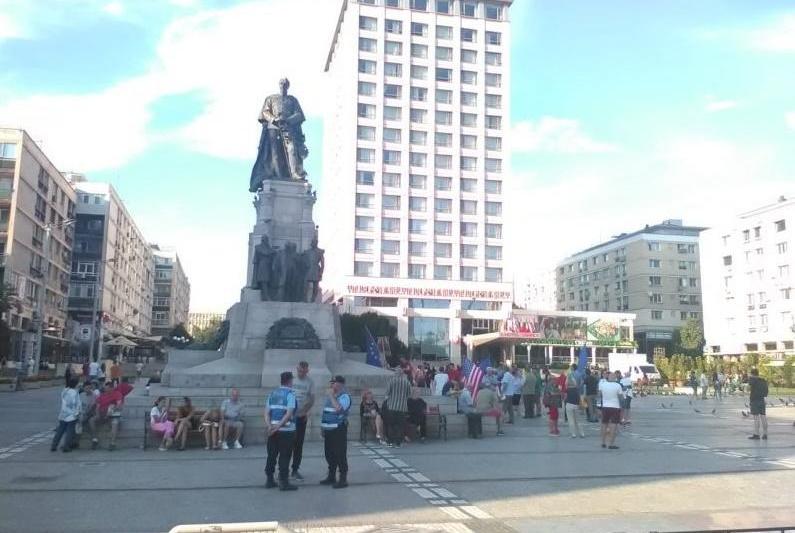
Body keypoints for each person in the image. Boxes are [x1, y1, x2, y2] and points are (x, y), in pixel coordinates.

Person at [265, 371, 298, 491]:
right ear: (289, 381)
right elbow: (289, 414)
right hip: (286, 431)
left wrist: (270, 426)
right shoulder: (290, 394)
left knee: (271, 455)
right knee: (285, 455)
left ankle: (269, 479)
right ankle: (284, 482)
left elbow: (267, 412)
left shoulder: (272, 394)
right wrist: (279, 426)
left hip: (272, 430)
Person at [320, 375, 352, 489]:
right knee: (329, 454)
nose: (331, 385)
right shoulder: (331, 396)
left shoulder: (344, 396)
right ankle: (331, 476)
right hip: (328, 429)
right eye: (331, 383)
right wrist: (322, 427)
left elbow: (339, 409)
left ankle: (343, 479)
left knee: (340, 454)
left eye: (333, 383)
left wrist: (331, 396)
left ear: (340, 384)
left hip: (338, 429)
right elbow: (326, 412)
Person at [290, 361, 315, 481]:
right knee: (287, 444)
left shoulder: (310, 382)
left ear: (307, 371)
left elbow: (312, 398)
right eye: (299, 370)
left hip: (301, 416)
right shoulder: (291, 380)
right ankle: (283, 470)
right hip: (289, 417)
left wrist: (305, 411)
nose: (300, 373)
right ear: (297, 368)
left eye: (303, 371)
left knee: (298, 444)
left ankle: (295, 469)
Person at [89, 381, 123, 450]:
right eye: (105, 388)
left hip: (112, 415)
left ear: (111, 388)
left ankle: (112, 443)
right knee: (91, 420)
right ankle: (95, 439)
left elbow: (119, 405)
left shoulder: (117, 394)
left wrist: (112, 408)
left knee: (115, 423)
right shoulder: (102, 395)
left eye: (107, 388)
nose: (105, 390)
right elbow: (97, 407)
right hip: (101, 414)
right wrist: (97, 414)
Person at [51, 377, 81, 453]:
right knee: (69, 432)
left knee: (60, 430)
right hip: (71, 415)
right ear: (76, 384)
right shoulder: (74, 392)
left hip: (63, 413)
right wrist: (77, 412)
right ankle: (66, 446)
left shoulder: (64, 390)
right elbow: (75, 403)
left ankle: (54, 445)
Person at [384, 368, 411, 447]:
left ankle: (390, 441)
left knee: (391, 425)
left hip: (392, 406)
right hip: (402, 407)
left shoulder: (392, 381)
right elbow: (409, 394)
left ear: (395, 374)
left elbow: (387, 393)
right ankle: (398, 442)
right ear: (402, 374)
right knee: (400, 425)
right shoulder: (407, 382)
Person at [599, 372, 624, 450]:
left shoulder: (602, 385)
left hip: (605, 407)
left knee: (604, 425)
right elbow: (621, 397)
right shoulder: (618, 385)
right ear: (615, 378)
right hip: (615, 407)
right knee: (613, 426)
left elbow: (600, 394)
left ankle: (603, 442)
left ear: (608, 377)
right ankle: (611, 444)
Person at [747, 368, 769, 440]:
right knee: (763, 416)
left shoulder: (752, 380)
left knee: (756, 418)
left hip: (754, 400)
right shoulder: (763, 380)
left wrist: (750, 377)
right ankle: (765, 434)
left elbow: (749, 386)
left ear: (752, 374)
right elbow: (766, 390)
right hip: (762, 400)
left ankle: (756, 434)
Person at [565, 364, 585, 438]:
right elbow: (582, 383)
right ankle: (582, 433)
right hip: (576, 405)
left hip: (569, 404)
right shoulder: (576, 390)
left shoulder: (567, 389)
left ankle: (573, 434)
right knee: (578, 420)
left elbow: (565, 396)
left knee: (571, 420)